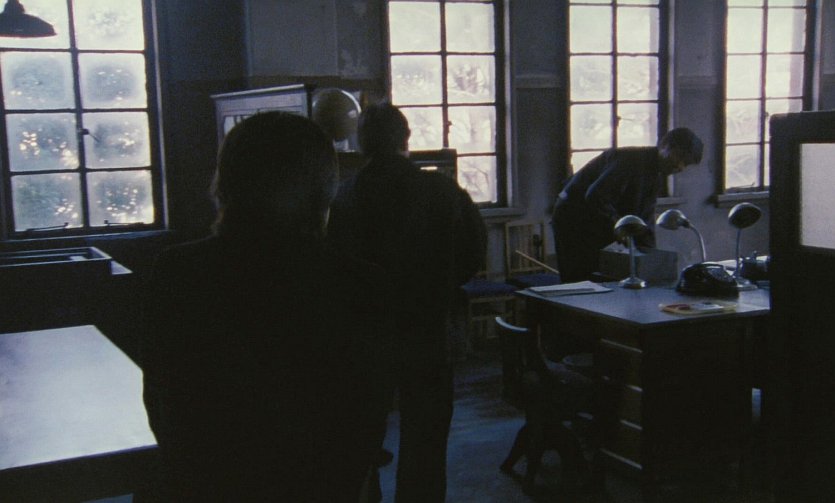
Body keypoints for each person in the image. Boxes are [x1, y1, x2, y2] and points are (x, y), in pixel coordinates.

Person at [142, 111, 395, 502]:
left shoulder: (178, 271)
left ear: (227, 181)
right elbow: (364, 421)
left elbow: (165, 404)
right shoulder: (361, 284)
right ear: (322, 187)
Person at [328, 102, 486, 503]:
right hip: (430, 330)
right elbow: (474, 252)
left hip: (368, 334)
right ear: (406, 138)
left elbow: (334, 268)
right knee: (426, 440)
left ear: (362, 144)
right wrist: (444, 284)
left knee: (363, 438)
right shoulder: (442, 190)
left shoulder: (344, 196)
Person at [551, 128, 704, 283]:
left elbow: (644, 218)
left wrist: (651, 256)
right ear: (666, 146)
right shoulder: (630, 160)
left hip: (597, 217)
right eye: (680, 157)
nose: (680, 167)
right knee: (581, 279)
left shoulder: (655, 174)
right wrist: (620, 227)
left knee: (607, 275)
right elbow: (596, 196)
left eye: (686, 164)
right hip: (573, 218)